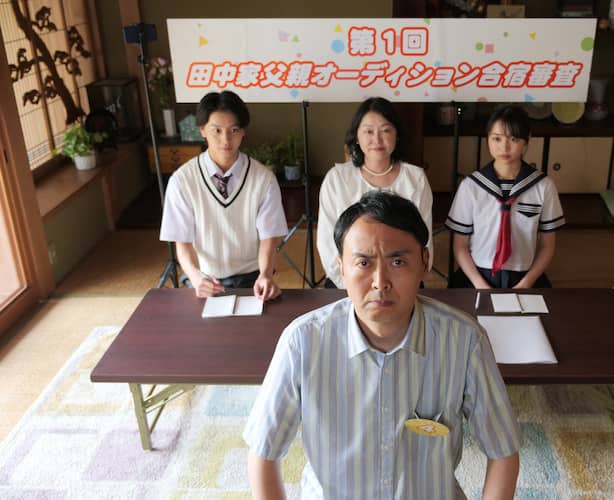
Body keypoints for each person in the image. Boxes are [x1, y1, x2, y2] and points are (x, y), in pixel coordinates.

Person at [245, 191, 521, 499]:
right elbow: (263, 453)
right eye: (363, 262)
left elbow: (503, 451)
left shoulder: (464, 340)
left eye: (398, 261)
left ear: (425, 262)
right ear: (341, 268)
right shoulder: (301, 342)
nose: (380, 282)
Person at [160, 90, 288, 300]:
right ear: (202, 130)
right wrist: (196, 278)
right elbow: (182, 243)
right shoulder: (182, 181)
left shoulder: (263, 179)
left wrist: (265, 274)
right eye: (216, 130)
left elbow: (269, 237)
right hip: (205, 277)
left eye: (233, 130)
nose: (225, 139)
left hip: (252, 276)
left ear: (243, 131)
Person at [316, 97, 433, 288]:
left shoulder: (415, 178)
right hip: (349, 281)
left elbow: (424, 239)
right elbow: (326, 242)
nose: (377, 140)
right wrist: (349, 285)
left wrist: (405, 283)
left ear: (397, 134)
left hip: (401, 282)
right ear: (356, 136)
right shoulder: (337, 178)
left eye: (385, 130)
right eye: (368, 131)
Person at [446, 105, 565, 289]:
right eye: (497, 138)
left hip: (524, 276)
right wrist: (480, 285)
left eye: (513, 138)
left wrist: (525, 284)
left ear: (527, 139)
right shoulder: (471, 186)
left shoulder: (543, 186)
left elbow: (547, 246)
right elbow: (460, 246)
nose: (504, 147)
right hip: (476, 275)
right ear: (487, 138)